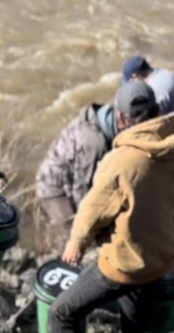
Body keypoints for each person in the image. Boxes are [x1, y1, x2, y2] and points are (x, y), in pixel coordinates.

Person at [48, 81, 174, 333]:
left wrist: (76, 244)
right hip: (162, 260)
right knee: (133, 309)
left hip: (123, 266)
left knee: (61, 313)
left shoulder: (121, 162)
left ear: (120, 119)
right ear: (158, 112)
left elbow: (91, 212)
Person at [34, 102, 117, 239]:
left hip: (63, 173)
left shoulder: (99, 117)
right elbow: (82, 192)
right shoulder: (94, 144)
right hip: (54, 188)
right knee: (71, 236)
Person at [121, 55, 174, 119]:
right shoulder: (163, 73)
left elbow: (153, 123)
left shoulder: (154, 90)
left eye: (130, 83)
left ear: (136, 76)